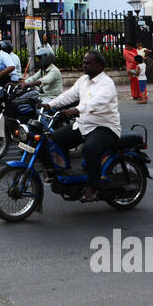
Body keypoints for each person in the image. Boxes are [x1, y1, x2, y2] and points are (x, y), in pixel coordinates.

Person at [44, 50, 121, 202]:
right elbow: (68, 95)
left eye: (88, 63)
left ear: (99, 65)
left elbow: (96, 103)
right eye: (83, 62)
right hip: (83, 125)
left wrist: (76, 109)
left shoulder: (107, 84)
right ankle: (63, 173)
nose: (83, 65)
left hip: (104, 127)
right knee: (53, 139)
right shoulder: (83, 80)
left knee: (90, 149)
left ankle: (93, 187)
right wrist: (49, 105)